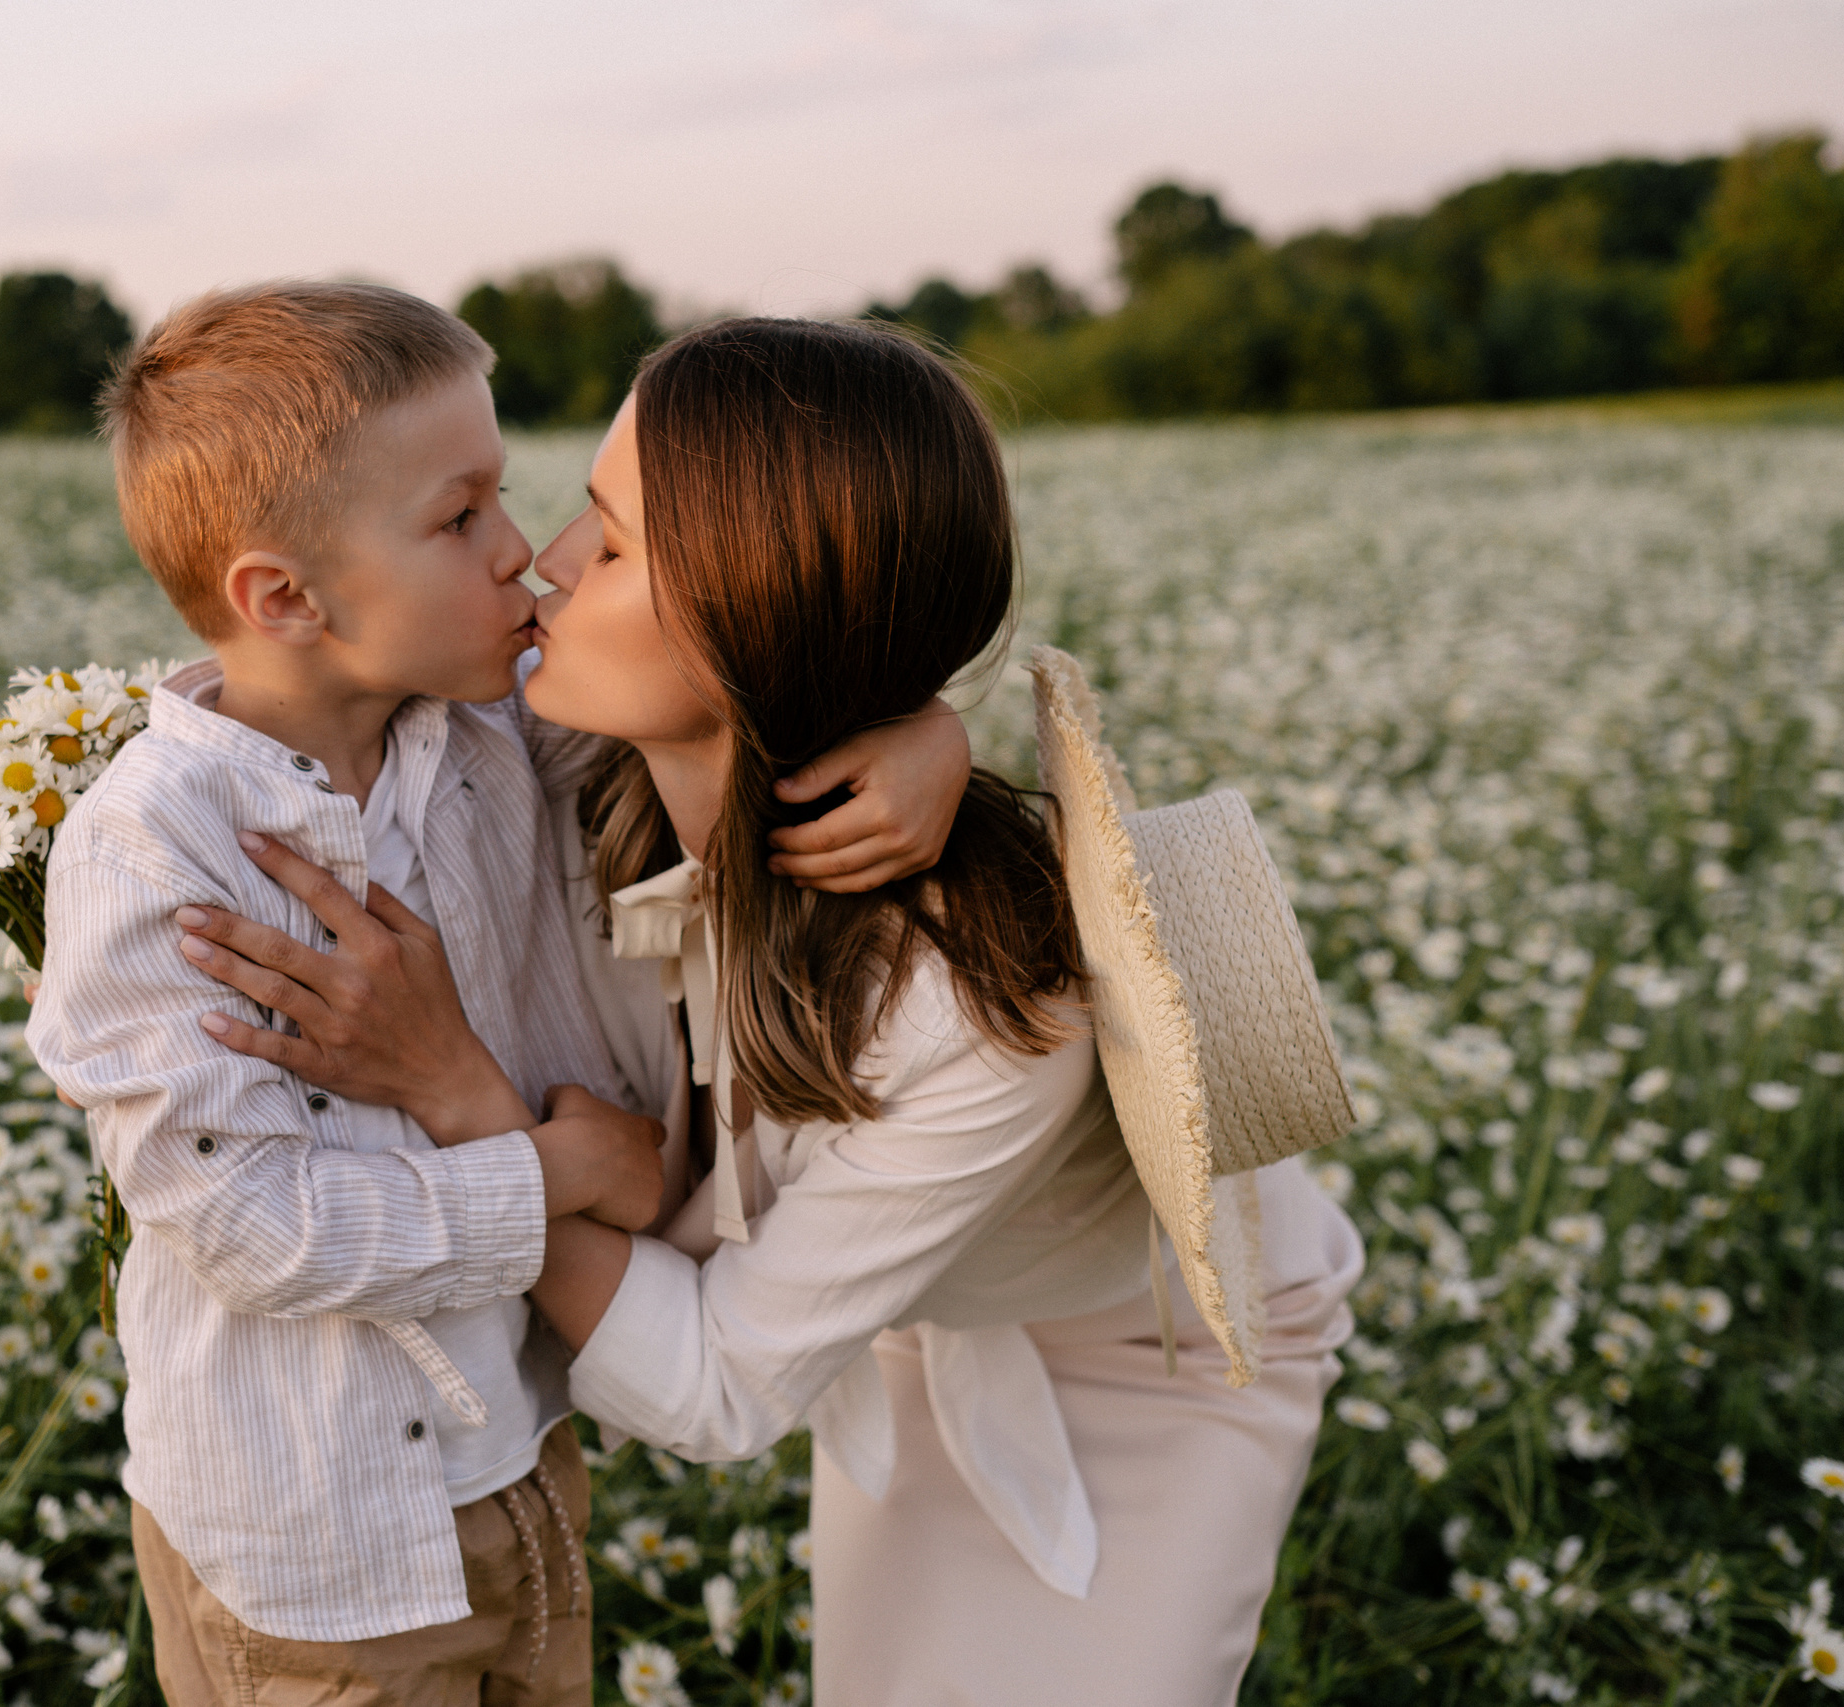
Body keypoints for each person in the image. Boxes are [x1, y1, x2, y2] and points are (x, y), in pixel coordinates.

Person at [175, 316, 1366, 1704]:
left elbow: (720, 1388)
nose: (542, 561)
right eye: (584, 510)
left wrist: (465, 1107)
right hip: (914, 1289)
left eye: (610, 547)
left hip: (1162, 1345)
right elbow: (275, 690)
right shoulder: (557, 747)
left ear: (754, 623)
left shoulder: (991, 1009)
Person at [23, 282, 972, 1706]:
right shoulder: (151, 848)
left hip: (520, 1473)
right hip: (315, 1552)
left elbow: (711, 714)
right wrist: (542, 1178)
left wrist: (921, 733)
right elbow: (242, 1220)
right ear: (286, 598)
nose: (520, 549)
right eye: (458, 518)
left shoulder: (482, 734)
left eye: (502, 497)